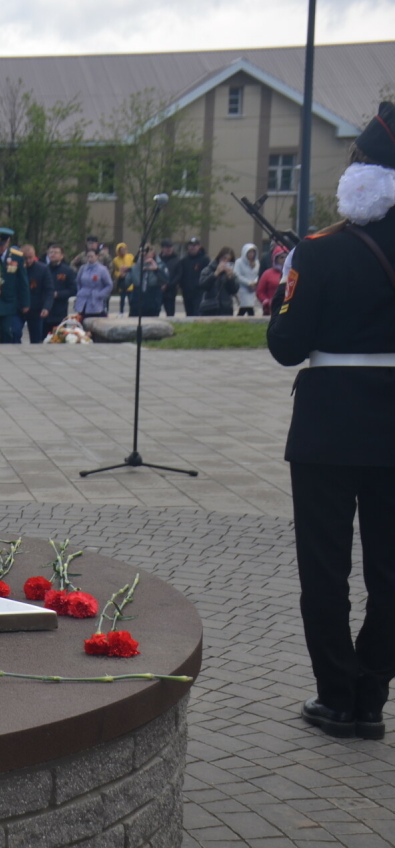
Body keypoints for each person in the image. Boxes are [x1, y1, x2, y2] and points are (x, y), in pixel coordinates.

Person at [266, 102, 395, 741]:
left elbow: (288, 346)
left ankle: (336, 696)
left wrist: (282, 297)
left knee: (325, 569)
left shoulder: (318, 251)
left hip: (326, 429)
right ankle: (372, 696)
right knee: (390, 572)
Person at [21, 244, 54, 343]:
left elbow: (49, 290)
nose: (28, 261)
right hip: (20, 308)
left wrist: (46, 307)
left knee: (36, 339)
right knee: (15, 331)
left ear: (34, 255)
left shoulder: (43, 269)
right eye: (25, 258)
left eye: (30, 257)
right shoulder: (17, 268)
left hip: (36, 309)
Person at [125, 244, 168, 317]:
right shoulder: (135, 267)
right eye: (142, 251)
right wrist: (122, 277)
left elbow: (165, 280)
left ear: (153, 253)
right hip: (136, 306)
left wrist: (156, 270)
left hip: (153, 305)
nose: (144, 254)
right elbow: (124, 285)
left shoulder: (160, 265)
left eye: (146, 251)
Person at [44, 243, 77, 335]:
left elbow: (73, 290)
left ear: (62, 255)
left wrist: (58, 294)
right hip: (44, 311)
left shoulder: (67, 271)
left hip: (60, 311)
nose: (52, 254)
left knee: (58, 337)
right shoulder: (43, 269)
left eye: (55, 252)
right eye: (50, 252)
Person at [197, 247, 239, 316]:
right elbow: (203, 285)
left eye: (229, 260)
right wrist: (215, 274)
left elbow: (234, 290)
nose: (226, 262)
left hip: (226, 308)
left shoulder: (232, 274)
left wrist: (230, 278)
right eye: (224, 258)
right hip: (209, 307)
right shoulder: (208, 270)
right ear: (219, 258)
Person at [73, 250, 113, 318]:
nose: (90, 258)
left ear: (97, 257)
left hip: (95, 299)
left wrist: (100, 294)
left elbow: (109, 285)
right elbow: (78, 281)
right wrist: (80, 292)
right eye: (88, 256)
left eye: (92, 256)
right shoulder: (83, 268)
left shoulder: (102, 269)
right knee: (81, 319)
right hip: (83, 298)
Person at [174, 238, 209, 315]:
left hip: (199, 293)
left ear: (199, 247)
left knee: (197, 313)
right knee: (189, 314)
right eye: (190, 245)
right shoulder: (184, 261)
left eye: (195, 245)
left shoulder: (205, 260)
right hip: (187, 293)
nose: (192, 247)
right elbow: (180, 275)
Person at [257, 247, 287, 315]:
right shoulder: (267, 273)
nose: (284, 260)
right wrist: (266, 302)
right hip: (270, 310)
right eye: (281, 257)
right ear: (275, 259)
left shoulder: (292, 273)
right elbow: (259, 291)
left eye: (286, 257)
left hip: (287, 309)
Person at [156, 239, 182, 316]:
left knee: (170, 314)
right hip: (158, 291)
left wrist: (167, 286)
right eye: (166, 247)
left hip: (170, 292)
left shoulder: (177, 260)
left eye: (170, 247)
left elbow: (178, 275)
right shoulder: (157, 260)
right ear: (162, 248)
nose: (169, 249)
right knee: (155, 313)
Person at [234, 243, 261, 316]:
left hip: (252, 290)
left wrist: (255, 282)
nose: (251, 254)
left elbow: (258, 274)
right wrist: (249, 283)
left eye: (253, 252)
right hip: (243, 289)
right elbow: (237, 275)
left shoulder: (257, 262)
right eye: (249, 252)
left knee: (250, 307)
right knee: (245, 307)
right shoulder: (239, 262)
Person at [111, 243, 135, 314]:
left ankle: (132, 312)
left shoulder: (130, 257)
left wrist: (128, 271)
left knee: (131, 299)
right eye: (121, 250)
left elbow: (134, 266)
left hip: (130, 281)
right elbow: (115, 271)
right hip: (122, 281)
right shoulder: (115, 260)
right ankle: (121, 312)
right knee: (122, 299)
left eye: (124, 249)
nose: (122, 251)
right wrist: (120, 274)